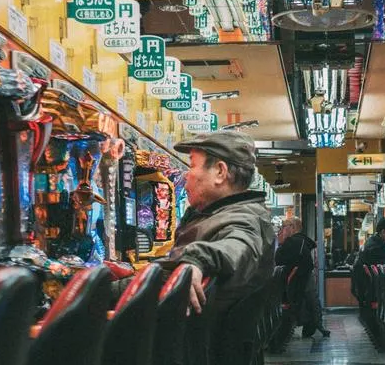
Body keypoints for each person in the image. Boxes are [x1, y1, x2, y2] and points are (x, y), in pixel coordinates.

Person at [114, 131, 274, 314]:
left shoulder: (243, 220)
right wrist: (140, 274)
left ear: (220, 172)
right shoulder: (219, 214)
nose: (186, 175)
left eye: (191, 165)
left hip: (172, 335)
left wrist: (195, 260)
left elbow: (238, 247)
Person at [275, 218, 329, 338]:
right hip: (299, 290)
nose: (281, 230)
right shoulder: (304, 242)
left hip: (288, 291)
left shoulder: (292, 243)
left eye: (284, 226)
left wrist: (280, 244)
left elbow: (277, 261)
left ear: (293, 227)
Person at [352, 216, 385, 309]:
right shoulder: (377, 248)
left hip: (367, 291)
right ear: (383, 231)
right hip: (372, 293)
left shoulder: (373, 242)